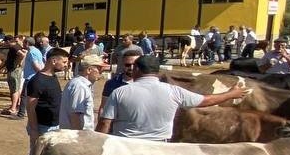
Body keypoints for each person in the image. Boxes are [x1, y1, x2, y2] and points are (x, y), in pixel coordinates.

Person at [98, 55, 249, 140]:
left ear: (136, 69)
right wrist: (231, 94)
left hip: (126, 147)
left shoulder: (120, 92)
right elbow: (206, 100)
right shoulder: (174, 91)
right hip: (160, 146)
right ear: (157, 71)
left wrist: (98, 142)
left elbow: (105, 123)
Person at [25, 48, 70, 155]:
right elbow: (30, 107)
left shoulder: (53, 77)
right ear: (54, 61)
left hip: (53, 124)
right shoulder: (37, 81)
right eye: (64, 61)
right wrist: (34, 129)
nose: (66, 65)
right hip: (41, 126)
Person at [61, 54, 104, 131]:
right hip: (78, 136)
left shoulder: (78, 83)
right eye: (99, 68)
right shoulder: (80, 86)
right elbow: (75, 115)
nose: (101, 71)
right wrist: (79, 139)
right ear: (89, 70)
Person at [100, 47, 143, 115]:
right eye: (128, 65)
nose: (131, 68)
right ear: (123, 64)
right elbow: (104, 108)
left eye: (135, 65)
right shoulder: (111, 84)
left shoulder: (148, 83)